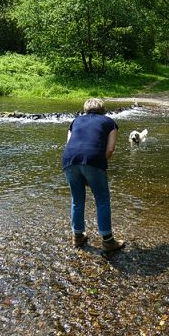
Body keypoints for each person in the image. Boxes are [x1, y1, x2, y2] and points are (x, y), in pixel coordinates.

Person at [62, 98, 125, 252]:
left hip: (69, 159)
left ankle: (78, 236)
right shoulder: (109, 122)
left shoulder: (75, 121)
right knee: (102, 200)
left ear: (85, 109)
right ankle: (108, 241)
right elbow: (110, 149)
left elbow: (69, 144)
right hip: (93, 159)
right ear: (103, 110)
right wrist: (96, 168)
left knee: (77, 200)